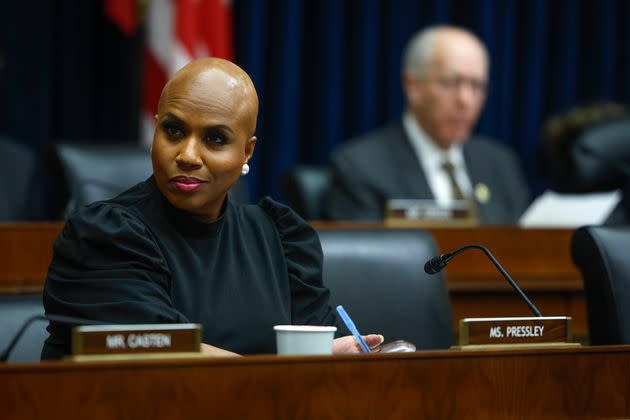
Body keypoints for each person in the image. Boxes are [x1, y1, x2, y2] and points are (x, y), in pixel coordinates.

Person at [41, 58, 383, 359]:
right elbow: (161, 353)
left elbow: (314, 350)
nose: (187, 155)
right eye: (173, 131)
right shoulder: (102, 236)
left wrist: (332, 356)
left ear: (246, 152)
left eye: (215, 139)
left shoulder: (280, 238)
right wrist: (276, 375)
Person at [325, 25, 529, 223]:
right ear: (412, 85)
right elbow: (364, 255)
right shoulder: (362, 166)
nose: (465, 100)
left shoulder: (500, 165)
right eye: (450, 82)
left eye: (477, 85)